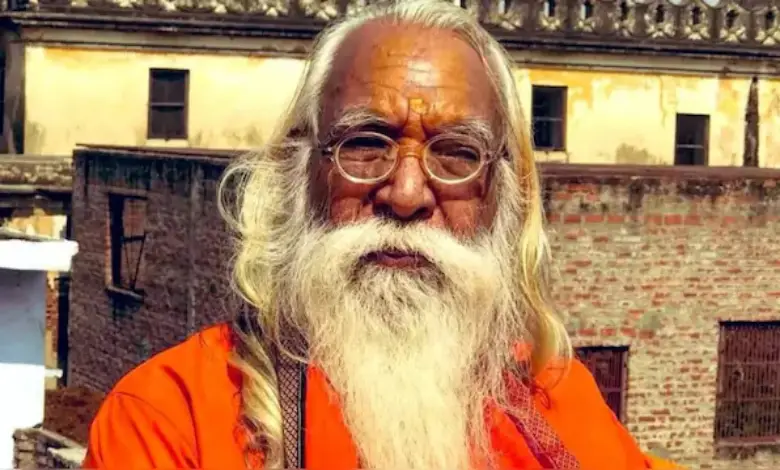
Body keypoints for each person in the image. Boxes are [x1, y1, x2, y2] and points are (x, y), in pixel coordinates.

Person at [82, 1, 682, 468]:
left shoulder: (554, 396)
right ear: (300, 170)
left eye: (457, 154)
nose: (406, 194)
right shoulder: (170, 417)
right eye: (365, 145)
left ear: (503, 190)